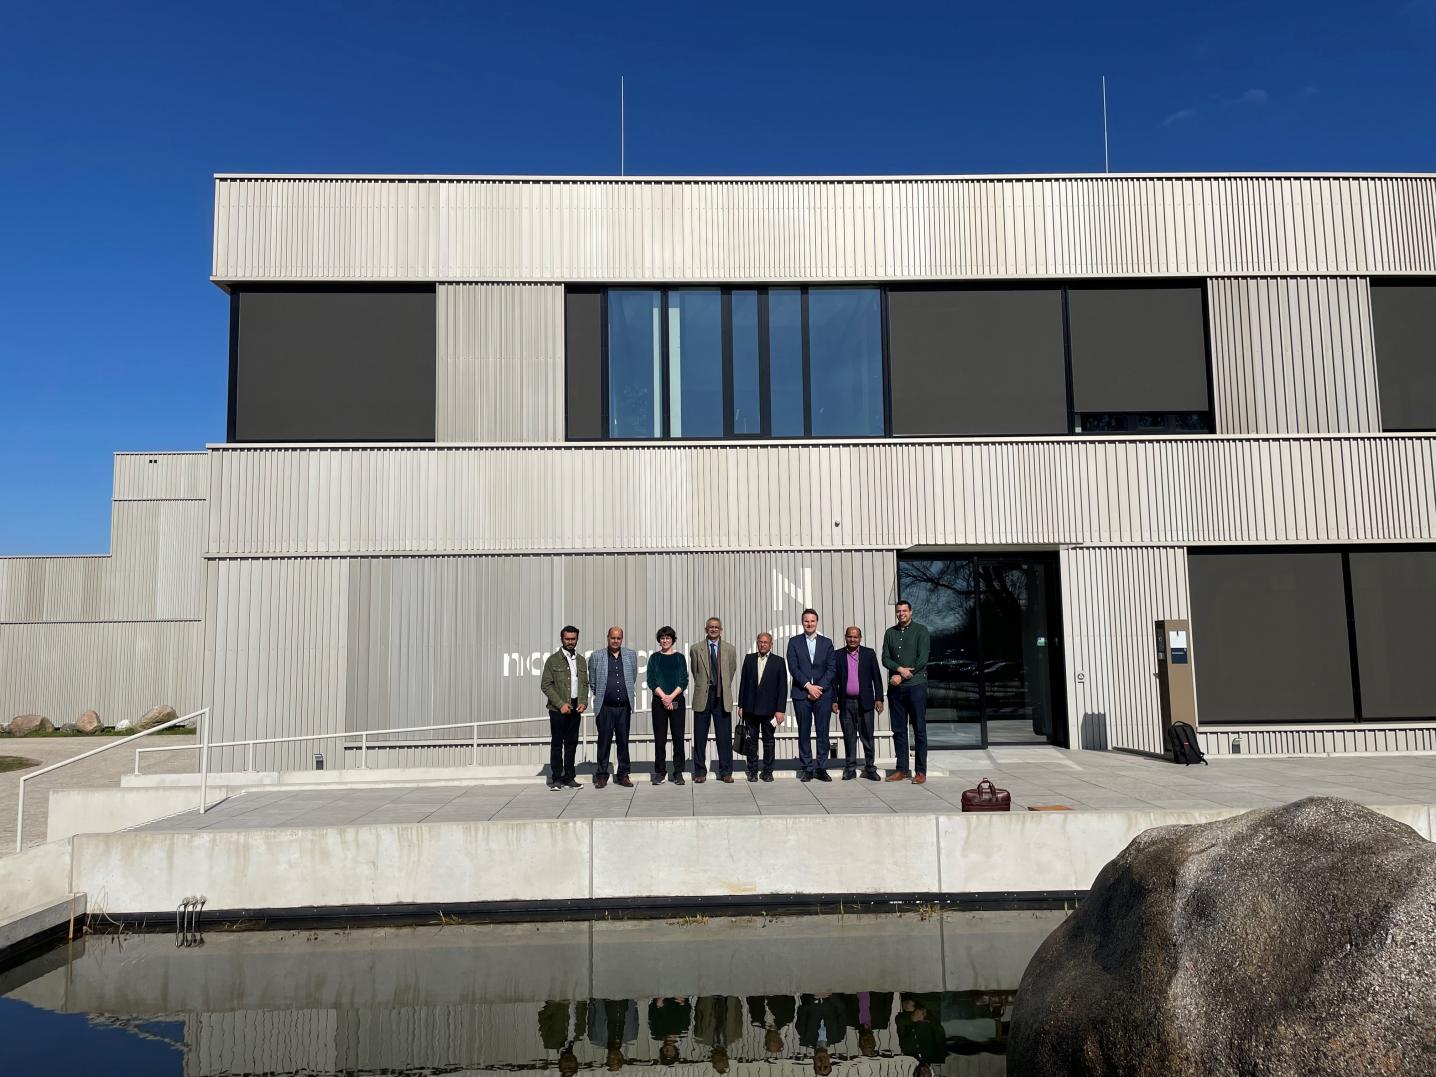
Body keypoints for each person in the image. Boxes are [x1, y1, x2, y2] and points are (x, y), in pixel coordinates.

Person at [882, 600, 931, 784]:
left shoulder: (921, 631)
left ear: (911, 612)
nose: (901, 614)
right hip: (896, 690)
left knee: (919, 729)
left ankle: (920, 771)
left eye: (904, 611)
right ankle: (901, 769)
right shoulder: (890, 633)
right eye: (898, 611)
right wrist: (899, 669)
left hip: (916, 686)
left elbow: (922, 659)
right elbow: (885, 658)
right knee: (899, 730)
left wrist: (901, 675)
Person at [786, 609, 836, 782]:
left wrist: (819, 687)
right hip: (802, 693)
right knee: (804, 731)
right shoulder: (794, 643)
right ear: (802, 622)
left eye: (812, 621)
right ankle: (807, 767)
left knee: (823, 732)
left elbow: (831, 668)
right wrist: (809, 687)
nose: (809, 624)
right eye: (806, 621)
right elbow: (793, 667)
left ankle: (821, 767)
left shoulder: (827, 643)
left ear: (817, 622)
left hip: (823, 694)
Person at [831, 626, 885, 781]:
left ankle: (870, 768)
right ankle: (850, 768)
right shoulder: (838, 655)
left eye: (855, 637)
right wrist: (834, 700)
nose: (852, 639)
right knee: (849, 737)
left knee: (867, 736)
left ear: (860, 638)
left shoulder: (869, 654)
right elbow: (834, 681)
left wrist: (879, 698)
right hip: (846, 703)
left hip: (866, 703)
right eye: (849, 636)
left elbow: (877, 678)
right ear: (845, 637)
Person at [688, 617, 738, 783]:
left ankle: (726, 772)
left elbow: (731, 671)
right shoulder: (696, 649)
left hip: (722, 696)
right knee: (700, 737)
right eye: (710, 627)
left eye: (716, 627)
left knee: (724, 737)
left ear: (721, 629)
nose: (713, 629)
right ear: (706, 629)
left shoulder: (730, 649)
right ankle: (700, 772)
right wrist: (705, 686)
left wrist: (720, 686)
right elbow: (695, 673)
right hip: (703, 695)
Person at [588, 626, 637, 789]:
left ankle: (623, 774)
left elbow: (633, 677)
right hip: (605, 707)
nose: (615, 641)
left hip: (624, 707)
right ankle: (601, 775)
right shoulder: (596, 656)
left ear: (622, 639)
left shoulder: (630, 655)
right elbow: (593, 682)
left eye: (619, 638)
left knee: (623, 742)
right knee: (604, 741)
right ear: (607, 637)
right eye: (613, 638)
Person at [540, 626, 588, 790]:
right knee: (557, 744)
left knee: (572, 743)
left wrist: (583, 702)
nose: (570, 642)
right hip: (558, 710)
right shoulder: (553, 660)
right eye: (567, 639)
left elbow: (584, 684)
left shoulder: (581, 660)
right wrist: (560, 704)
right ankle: (557, 778)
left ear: (577, 639)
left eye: (573, 639)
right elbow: (546, 685)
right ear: (562, 639)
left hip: (575, 709)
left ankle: (569, 777)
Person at [737, 633, 788, 782]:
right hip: (750, 708)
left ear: (771, 644)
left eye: (766, 642)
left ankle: (768, 771)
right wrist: (741, 705)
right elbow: (743, 684)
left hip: (770, 710)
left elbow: (782, 688)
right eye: (760, 642)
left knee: (768, 741)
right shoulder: (749, 659)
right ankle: (752, 771)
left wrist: (781, 710)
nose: (763, 644)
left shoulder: (778, 662)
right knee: (751, 741)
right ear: (757, 643)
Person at [646, 626, 690, 785]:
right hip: (659, 701)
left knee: (678, 737)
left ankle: (678, 772)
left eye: (668, 638)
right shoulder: (654, 658)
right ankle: (660, 772)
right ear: (659, 640)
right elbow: (651, 680)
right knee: (660, 738)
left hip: (677, 699)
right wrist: (664, 697)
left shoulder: (680, 658)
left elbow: (683, 680)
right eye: (662, 638)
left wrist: (671, 697)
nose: (665, 641)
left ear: (672, 640)